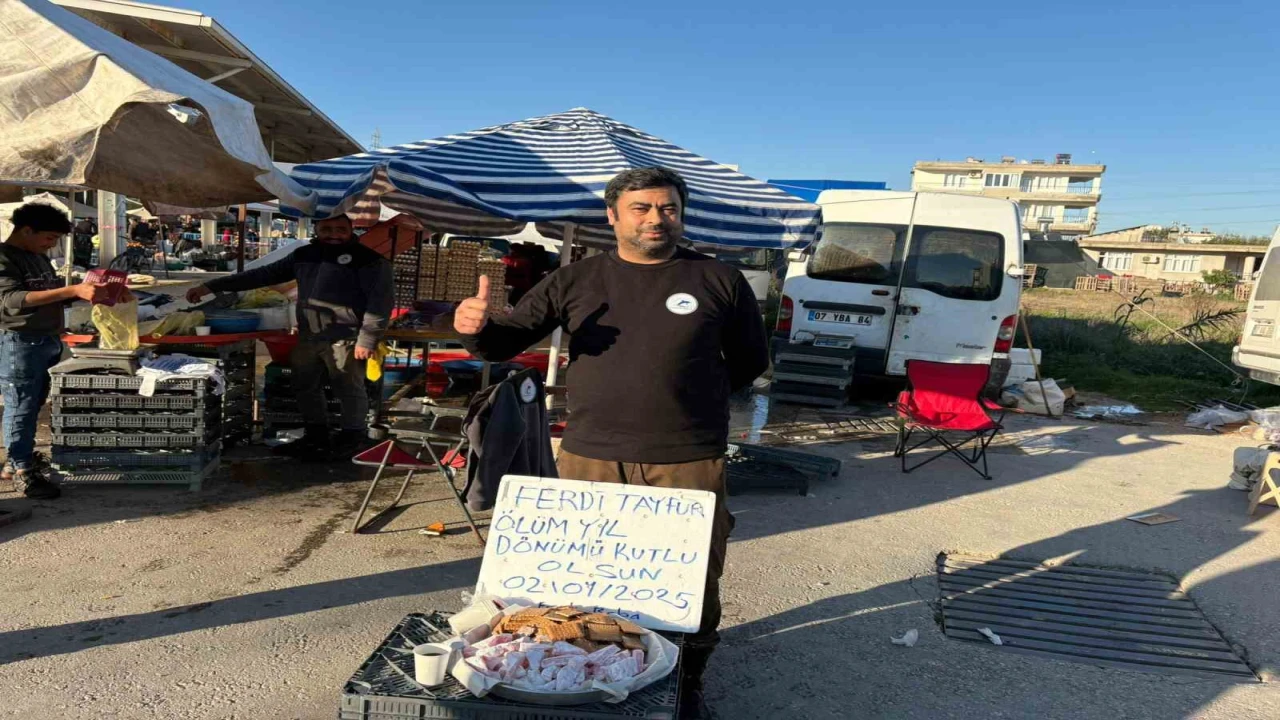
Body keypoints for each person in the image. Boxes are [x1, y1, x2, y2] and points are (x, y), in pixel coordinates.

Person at [454, 167, 768, 719]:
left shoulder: (719, 279)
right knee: (583, 578)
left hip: (686, 457)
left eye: (667, 208)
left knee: (691, 578)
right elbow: (505, 341)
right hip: (590, 455)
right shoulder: (576, 279)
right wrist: (475, 328)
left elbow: (750, 362)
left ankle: (686, 680)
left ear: (680, 213)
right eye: (641, 208)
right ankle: (590, 669)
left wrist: (688, 394)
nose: (655, 218)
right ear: (613, 215)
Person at [186, 215, 393, 459]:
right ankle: (316, 436)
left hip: (346, 336)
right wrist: (213, 286)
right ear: (316, 229)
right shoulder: (304, 255)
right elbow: (263, 275)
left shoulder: (370, 261)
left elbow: (380, 304)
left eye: (340, 229)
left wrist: (367, 339)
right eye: (327, 229)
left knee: (348, 387)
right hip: (309, 335)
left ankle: (353, 437)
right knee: (304, 386)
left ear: (351, 230)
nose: (333, 234)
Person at [0, 203, 111, 499]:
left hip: (47, 340)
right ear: (26, 230)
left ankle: (17, 461)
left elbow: (48, 296)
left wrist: (92, 291)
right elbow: (12, 299)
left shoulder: (38, 257)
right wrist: (72, 291)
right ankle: (22, 470)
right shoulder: (4, 257)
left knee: (34, 404)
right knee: (20, 405)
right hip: (19, 342)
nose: (52, 245)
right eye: (49, 238)